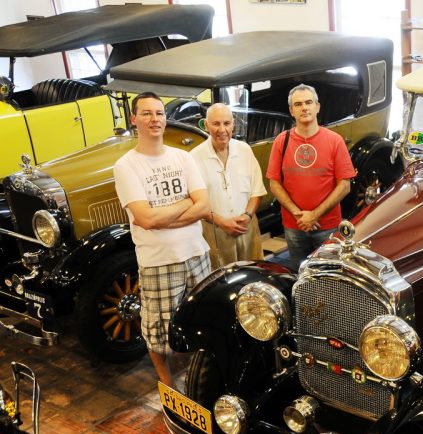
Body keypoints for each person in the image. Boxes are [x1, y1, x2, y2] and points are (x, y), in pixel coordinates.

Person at [114, 92, 211, 387]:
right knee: (157, 332)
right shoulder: (126, 166)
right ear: (134, 119)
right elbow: (146, 219)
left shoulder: (183, 157)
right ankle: (167, 385)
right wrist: (185, 202)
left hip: (197, 253)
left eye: (159, 113)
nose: (154, 119)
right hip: (158, 261)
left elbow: (204, 207)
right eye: (146, 113)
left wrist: (163, 216)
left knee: (204, 321)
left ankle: (202, 378)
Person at [266, 84, 356, 271]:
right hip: (294, 226)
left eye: (308, 102)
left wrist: (314, 215)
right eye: (298, 104)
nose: (304, 108)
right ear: (291, 111)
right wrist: (298, 214)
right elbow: (274, 183)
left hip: (328, 227)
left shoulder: (334, 140)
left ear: (317, 107)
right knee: (300, 273)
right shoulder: (281, 141)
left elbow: (344, 186)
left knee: (330, 275)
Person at [191, 103, 267, 269]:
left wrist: (247, 215)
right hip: (213, 231)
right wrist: (222, 222)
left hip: (247, 227)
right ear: (206, 125)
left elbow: (257, 190)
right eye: (216, 124)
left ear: (233, 124)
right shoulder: (194, 157)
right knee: (219, 277)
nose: (222, 129)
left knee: (252, 272)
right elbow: (195, 203)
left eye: (226, 123)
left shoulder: (244, 150)